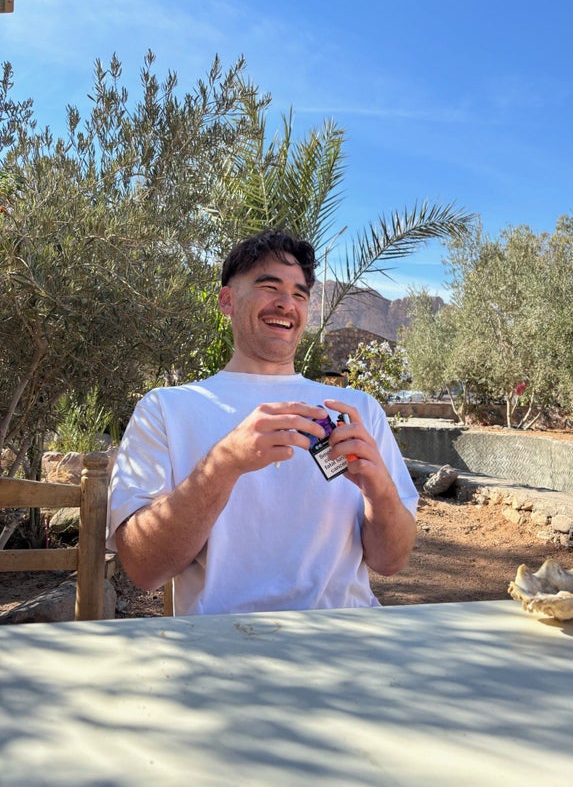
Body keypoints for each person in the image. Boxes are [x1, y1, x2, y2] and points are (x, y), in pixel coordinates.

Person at [107, 229, 418, 616]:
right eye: (270, 287)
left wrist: (379, 490)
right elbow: (143, 568)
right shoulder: (166, 409)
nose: (287, 304)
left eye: (299, 294)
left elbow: (391, 562)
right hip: (223, 640)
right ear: (227, 300)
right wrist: (224, 463)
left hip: (345, 634)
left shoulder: (357, 410)